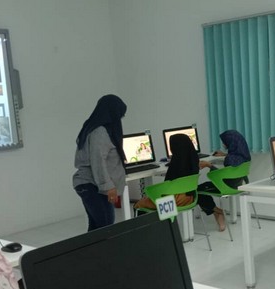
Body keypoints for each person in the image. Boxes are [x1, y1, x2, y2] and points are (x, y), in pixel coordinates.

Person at [73, 94, 127, 231]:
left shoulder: (92, 127)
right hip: (92, 185)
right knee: (106, 227)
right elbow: (98, 162)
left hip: (89, 184)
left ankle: (90, 246)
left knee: (96, 228)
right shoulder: (100, 132)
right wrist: (108, 187)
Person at [198, 130, 251, 232]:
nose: (223, 144)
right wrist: (225, 154)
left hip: (225, 187)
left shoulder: (229, 159)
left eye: (224, 142)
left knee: (198, 190)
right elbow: (233, 166)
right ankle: (218, 213)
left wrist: (209, 165)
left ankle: (218, 211)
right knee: (204, 187)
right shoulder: (244, 155)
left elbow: (220, 176)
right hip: (238, 186)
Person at [134, 133, 199, 210]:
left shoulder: (176, 163)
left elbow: (167, 184)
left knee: (139, 204)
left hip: (171, 202)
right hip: (189, 199)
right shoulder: (194, 160)